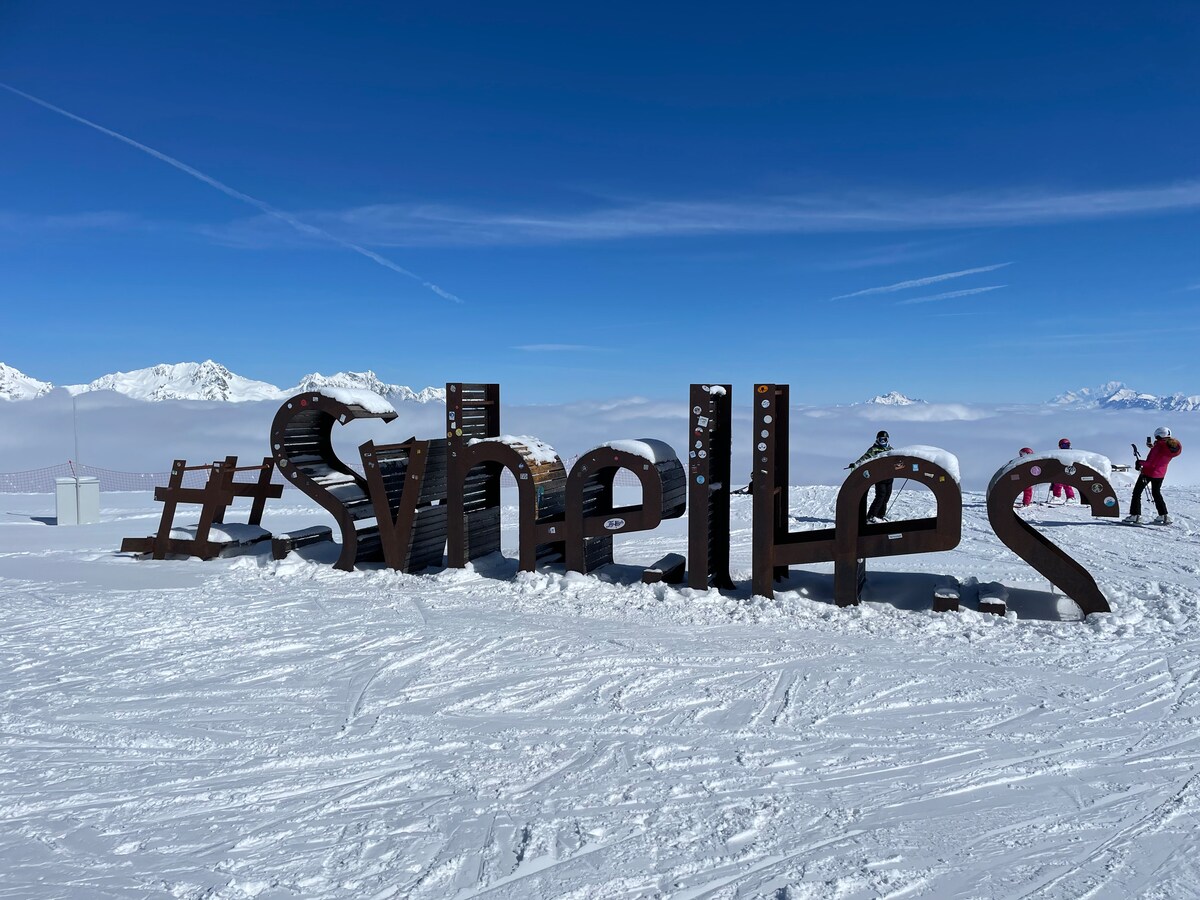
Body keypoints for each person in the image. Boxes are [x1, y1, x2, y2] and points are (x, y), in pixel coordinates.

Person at [1125, 426, 1183, 525]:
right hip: (1160, 474)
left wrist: (1139, 462)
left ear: (1159, 435)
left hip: (1148, 472)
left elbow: (1151, 463)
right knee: (1156, 493)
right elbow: (1161, 455)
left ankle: (1135, 516)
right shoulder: (1172, 446)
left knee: (1137, 493)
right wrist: (1153, 447)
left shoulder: (1159, 446)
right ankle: (1164, 516)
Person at [849, 430, 893, 522]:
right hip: (879, 477)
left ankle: (880, 516)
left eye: (885, 439)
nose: (883, 441)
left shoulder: (891, 450)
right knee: (881, 496)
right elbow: (864, 458)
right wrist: (856, 464)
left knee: (886, 497)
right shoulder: (874, 450)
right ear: (877, 440)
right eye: (881, 439)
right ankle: (871, 515)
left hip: (889, 476)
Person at [1051, 437, 1077, 503]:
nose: (1064, 447)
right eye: (1063, 446)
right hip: (1060, 471)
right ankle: (1057, 496)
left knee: (1067, 484)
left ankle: (1071, 497)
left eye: (1066, 445)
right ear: (1060, 446)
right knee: (1057, 484)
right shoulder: (1058, 453)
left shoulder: (1071, 453)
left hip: (1068, 471)